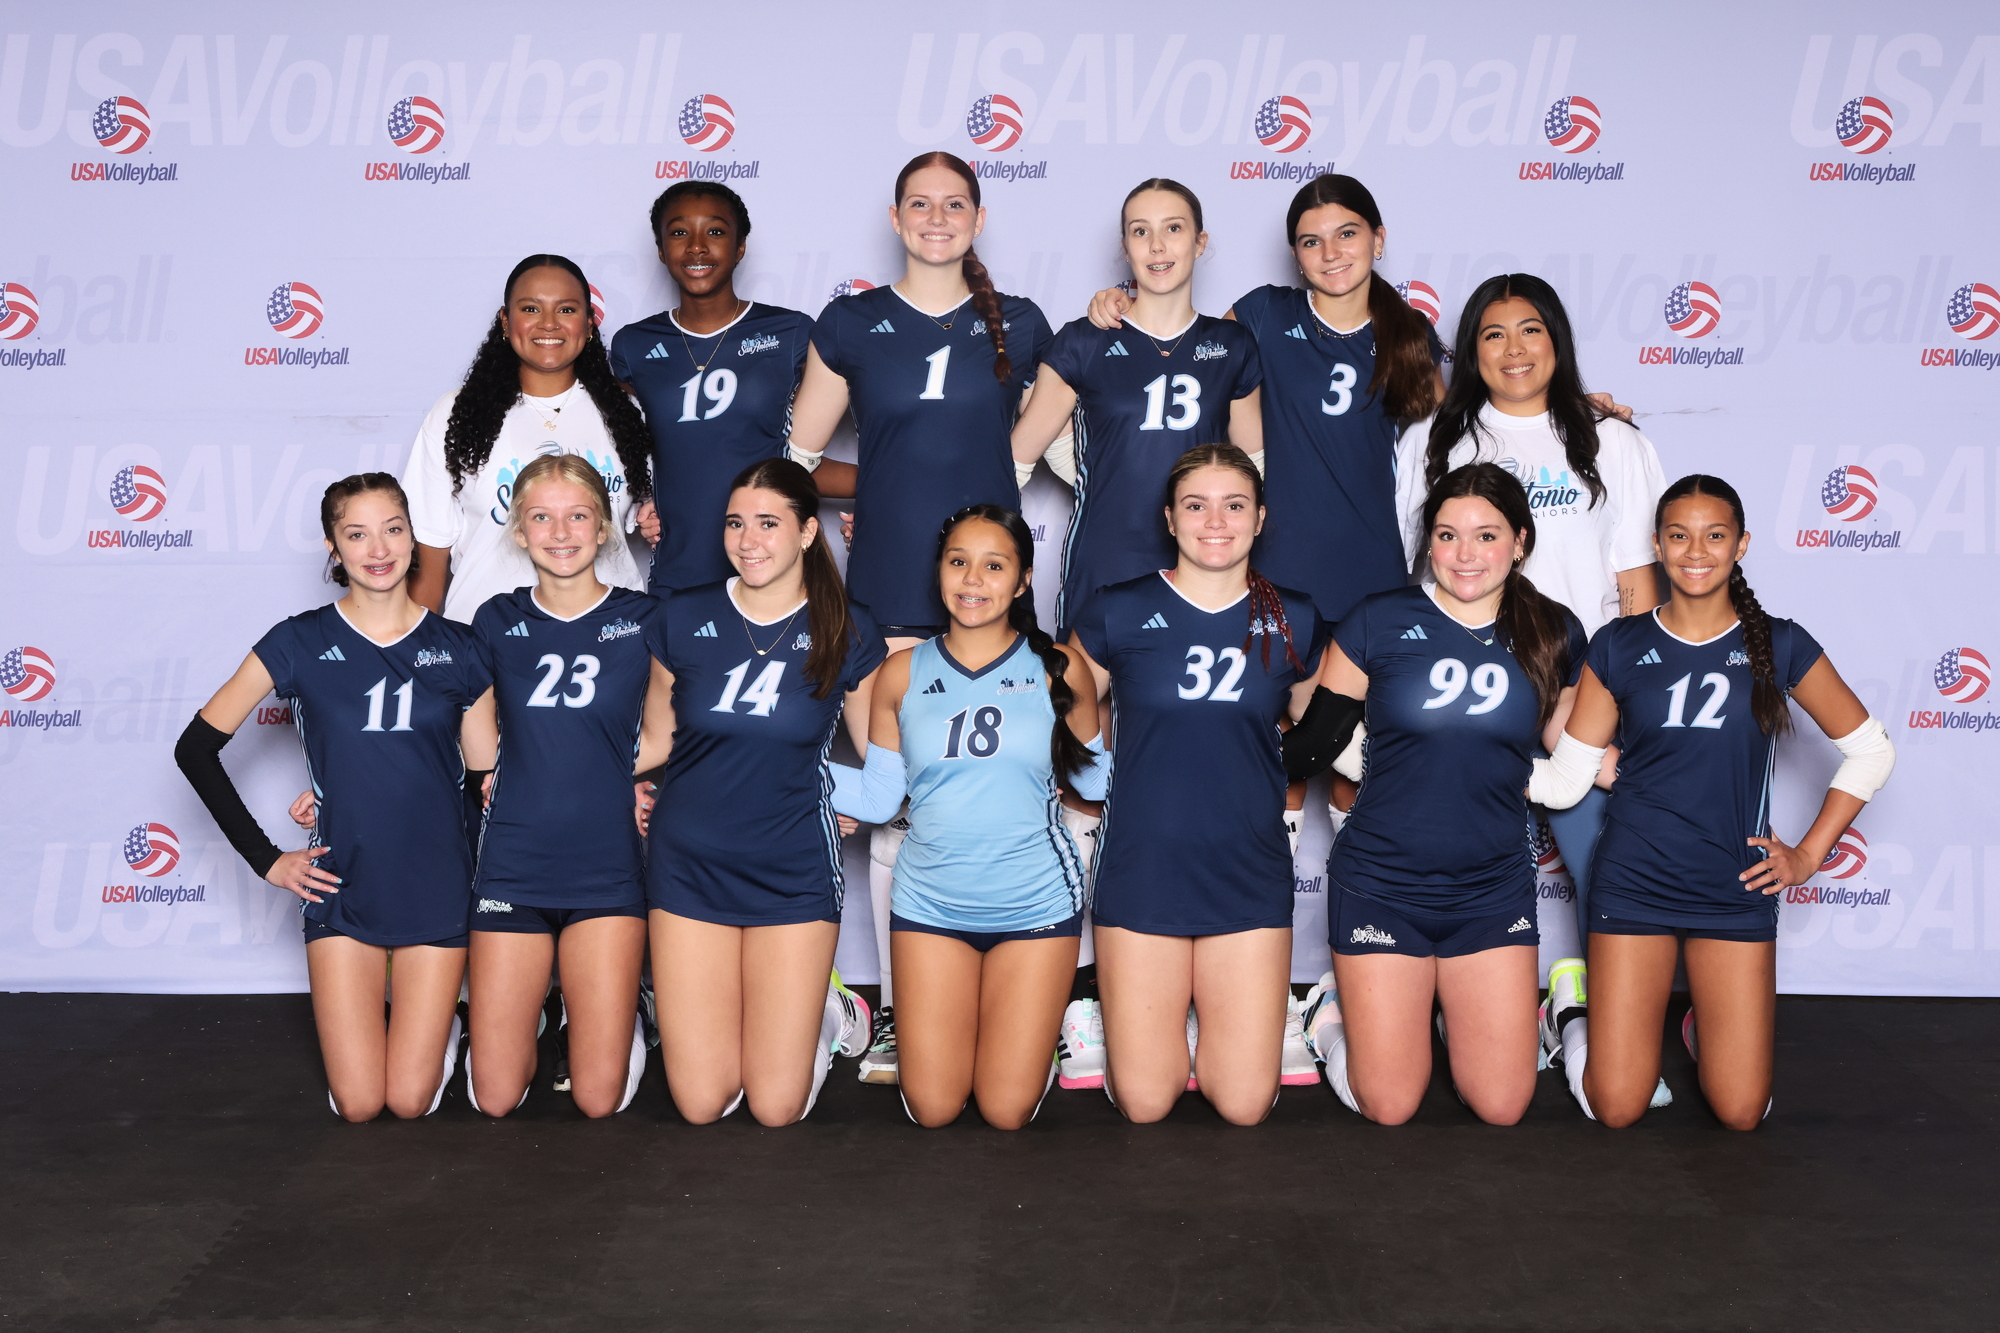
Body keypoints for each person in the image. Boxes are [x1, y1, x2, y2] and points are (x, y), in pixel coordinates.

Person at [1532, 475, 1893, 1130]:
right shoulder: (1619, 643)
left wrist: (1808, 855)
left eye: (1715, 535)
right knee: (1616, 1106)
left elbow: (1872, 751)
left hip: (1733, 886)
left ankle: (1708, 1026)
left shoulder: (1779, 643)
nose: (1695, 551)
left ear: (1741, 544)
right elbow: (1565, 778)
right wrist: (1463, 765)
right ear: (1657, 545)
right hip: (1634, 881)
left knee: (1741, 1112)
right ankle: (1571, 1015)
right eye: (1679, 535)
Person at [174, 475, 490, 1121]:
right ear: (333, 547)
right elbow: (195, 749)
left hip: (436, 886)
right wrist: (268, 859)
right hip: (341, 884)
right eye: (357, 534)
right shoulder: (297, 642)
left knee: (408, 1101)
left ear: (414, 538)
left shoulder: (460, 649)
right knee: (359, 1104)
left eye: (393, 529)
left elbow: (485, 783)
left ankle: (446, 1028)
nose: (379, 548)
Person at [1287, 463, 1585, 1126]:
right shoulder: (1380, 619)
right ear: (1429, 543)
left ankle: (1468, 1017)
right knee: (1390, 1105)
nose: (1465, 554)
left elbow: (1571, 743)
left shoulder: (1555, 631)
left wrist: (1647, 772)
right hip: (1383, 884)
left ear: (1521, 541)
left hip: (1491, 889)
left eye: (1486, 535)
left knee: (1503, 1105)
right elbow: (1312, 744)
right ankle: (1327, 1019)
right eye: (1448, 535)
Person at [1394, 274, 1665, 939]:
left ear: (1556, 340)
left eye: (1530, 330)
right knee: (1446, 870)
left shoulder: (1613, 440)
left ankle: (1604, 996)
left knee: (1606, 870)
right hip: (1465, 687)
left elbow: (1636, 574)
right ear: (1471, 349)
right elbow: (1412, 572)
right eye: (1494, 334)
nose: (1513, 349)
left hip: (1581, 687)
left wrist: (1631, 690)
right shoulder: (1432, 438)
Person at [1068, 444, 1326, 1125]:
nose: (1216, 521)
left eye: (1234, 505)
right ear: (1170, 518)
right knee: (1145, 1102)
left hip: (1247, 867)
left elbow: (1323, 731)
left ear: (1260, 518)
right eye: (1196, 505)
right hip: (1143, 866)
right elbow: (1063, 700)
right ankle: (1152, 1023)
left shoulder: (1295, 617)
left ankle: (1215, 1019)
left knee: (1245, 1105)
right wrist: (1093, 765)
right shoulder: (1120, 609)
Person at [830, 505, 1106, 1127]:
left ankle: (1032, 1031)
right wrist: (775, 769)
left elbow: (1095, 779)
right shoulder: (902, 672)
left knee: (1006, 1110)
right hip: (930, 907)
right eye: (958, 562)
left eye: (994, 565)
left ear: (1024, 580)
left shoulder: (1058, 669)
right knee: (933, 1108)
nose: (973, 580)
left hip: (1035, 907)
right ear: (939, 572)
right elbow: (879, 798)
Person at [644, 459, 886, 1126]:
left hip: (792, 867)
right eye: (735, 523)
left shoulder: (848, 627)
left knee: (776, 1106)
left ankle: (831, 1011)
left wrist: (840, 795)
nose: (747, 540)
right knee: (702, 1103)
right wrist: (554, 767)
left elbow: (881, 762)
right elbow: (654, 741)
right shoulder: (683, 616)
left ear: (808, 532)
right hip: (689, 864)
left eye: (768, 523)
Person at [457, 455, 667, 1119]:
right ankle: (530, 1021)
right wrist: (497, 771)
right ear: (519, 531)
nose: (560, 531)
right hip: (513, 863)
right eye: (541, 517)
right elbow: (479, 745)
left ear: (604, 527)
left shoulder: (645, 618)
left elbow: (665, 735)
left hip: (606, 867)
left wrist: (607, 771)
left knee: (598, 1099)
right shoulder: (495, 619)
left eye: (578, 515)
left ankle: (627, 1014)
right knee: (494, 1097)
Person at [787, 151, 1053, 645]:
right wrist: (880, 491)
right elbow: (797, 463)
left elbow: (1064, 450)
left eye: (954, 205)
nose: (937, 218)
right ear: (896, 218)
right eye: (919, 204)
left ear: (978, 219)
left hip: (991, 580)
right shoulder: (850, 321)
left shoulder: (1022, 322)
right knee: (887, 700)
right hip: (889, 574)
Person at [1011, 178, 1263, 635]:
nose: (1157, 245)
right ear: (1125, 247)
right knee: (1086, 682)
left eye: (1174, 228)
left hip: (1202, 565)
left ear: (1199, 242)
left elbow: (1252, 470)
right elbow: (1017, 460)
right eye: (1141, 231)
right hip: (1104, 559)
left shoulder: (1233, 345)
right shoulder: (1084, 340)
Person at [403, 253, 653, 624]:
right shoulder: (457, 414)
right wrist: (418, 650)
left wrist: (658, 514)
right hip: (484, 637)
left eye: (566, 310)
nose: (549, 323)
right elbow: (429, 553)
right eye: (531, 309)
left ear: (588, 323)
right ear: (506, 321)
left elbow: (664, 514)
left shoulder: (629, 413)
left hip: (610, 638)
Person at [612, 183, 822, 594]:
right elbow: (624, 449)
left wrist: (880, 491)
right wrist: (641, 500)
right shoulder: (633, 345)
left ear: (740, 246)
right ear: (660, 249)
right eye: (679, 232)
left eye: (715, 231)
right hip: (679, 575)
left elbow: (807, 452)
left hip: (773, 572)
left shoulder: (791, 333)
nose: (696, 246)